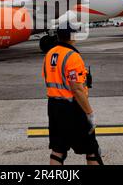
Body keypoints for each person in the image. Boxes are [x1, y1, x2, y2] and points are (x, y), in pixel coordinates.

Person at [42, 22, 103, 165]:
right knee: (92, 150)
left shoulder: (49, 54)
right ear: (71, 36)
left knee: (58, 150)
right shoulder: (72, 56)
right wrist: (89, 113)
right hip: (72, 108)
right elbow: (77, 89)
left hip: (54, 106)